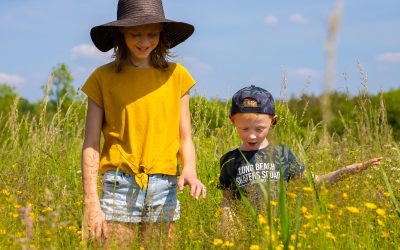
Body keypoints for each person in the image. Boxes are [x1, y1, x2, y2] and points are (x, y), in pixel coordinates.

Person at [81, 0, 206, 248]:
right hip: (119, 183)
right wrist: (91, 201)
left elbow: (185, 136)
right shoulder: (101, 79)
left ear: (162, 34)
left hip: (165, 184)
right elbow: (91, 144)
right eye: (136, 34)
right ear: (121, 34)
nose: (145, 41)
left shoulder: (177, 75)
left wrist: (189, 168)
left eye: (152, 34)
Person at [218, 85, 382, 235]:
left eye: (259, 129)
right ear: (233, 121)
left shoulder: (282, 154)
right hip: (246, 234)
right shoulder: (230, 159)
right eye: (244, 129)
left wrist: (349, 170)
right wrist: (226, 218)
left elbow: (315, 182)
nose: (252, 135)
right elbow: (227, 199)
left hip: (281, 233)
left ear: (273, 121)